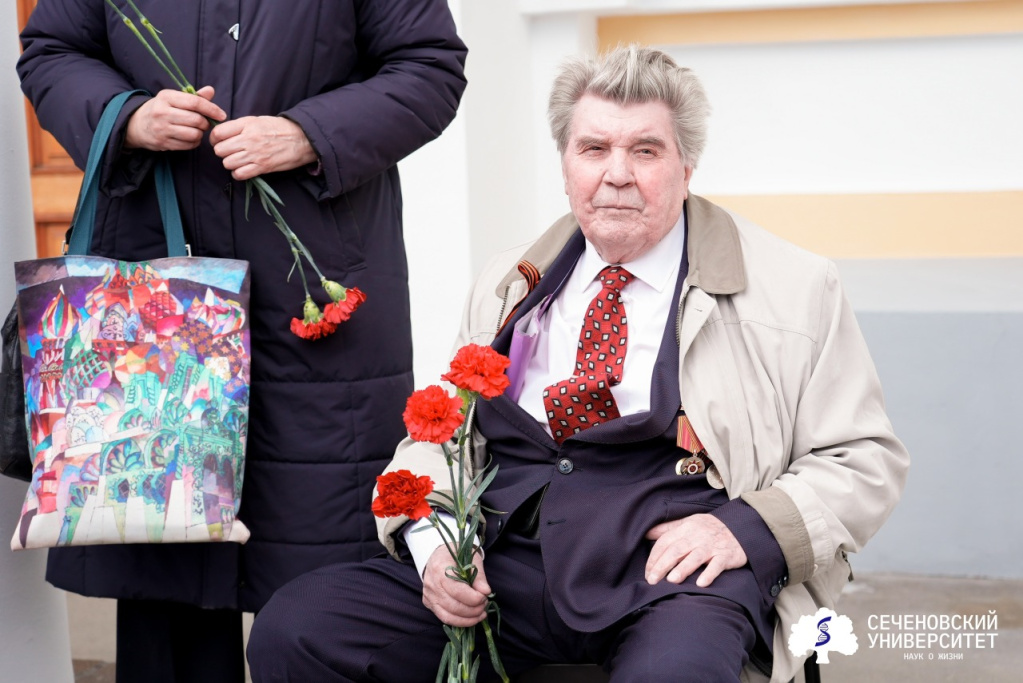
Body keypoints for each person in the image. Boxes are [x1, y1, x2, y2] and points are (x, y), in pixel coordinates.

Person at [246, 46, 909, 682]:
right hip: (503, 561)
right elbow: (441, 435)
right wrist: (436, 543)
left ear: (686, 168)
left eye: (645, 150)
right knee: (296, 631)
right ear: (566, 166)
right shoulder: (507, 281)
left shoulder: (794, 288)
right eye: (593, 149)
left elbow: (862, 457)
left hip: (673, 573)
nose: (616, 173)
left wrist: (746, 529)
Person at [17, 1, 466, 682]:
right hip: (156, 289)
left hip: (314, 293)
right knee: (168, 569)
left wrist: (307, 133)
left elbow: (430, 66)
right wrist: (128, 118)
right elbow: (52, 48)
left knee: (328, 583)